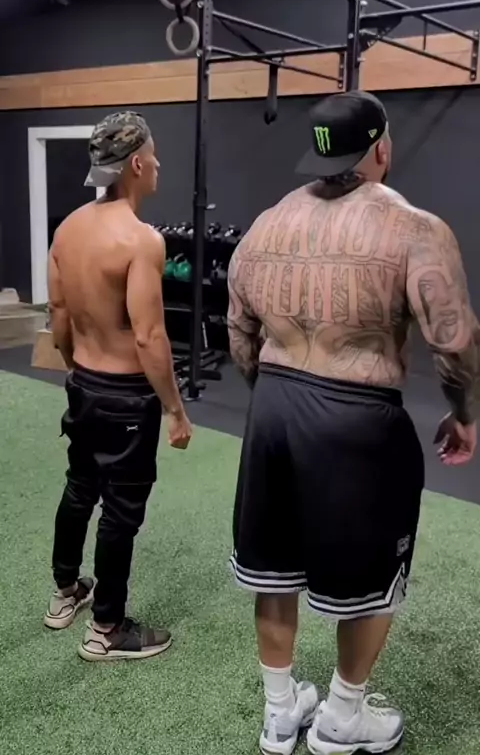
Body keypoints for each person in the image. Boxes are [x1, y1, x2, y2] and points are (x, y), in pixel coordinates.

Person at [227, 91, 480, 755]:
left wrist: (275, 399)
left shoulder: (266, 225)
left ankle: (280, 714)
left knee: (275, 572)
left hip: (273, 410)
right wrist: (465, 415)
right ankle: (342, 717)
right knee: (370, 583)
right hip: (357, 420)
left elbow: (239, 334)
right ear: (382, 149)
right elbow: (454, 342)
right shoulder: (415, 229)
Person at [44, 111, 192, 661]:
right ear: (135, 165)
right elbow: (150, 336)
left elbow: (59, 313)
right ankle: (106, 628)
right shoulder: (141, 240)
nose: (158, 165)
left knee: (80, 487)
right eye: (152, 157)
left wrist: (76, 368)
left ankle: (66, 591)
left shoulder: (68, 228)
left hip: (83, 383)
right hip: (127, 397)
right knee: (121, 512)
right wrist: (175, 409)